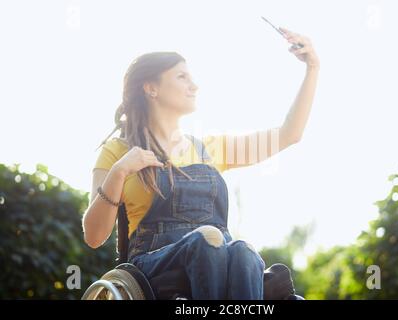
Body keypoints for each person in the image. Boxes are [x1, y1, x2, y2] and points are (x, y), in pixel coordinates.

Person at [82, 27, 320, 300]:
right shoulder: (117, 152)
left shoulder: (209, 149)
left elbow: (289, 134)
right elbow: (94, 235)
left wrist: (312, 67)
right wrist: (120, 171)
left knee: (242, 250)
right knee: (207, 238)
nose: (194, 85)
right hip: (152, 265)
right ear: (151, 88)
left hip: (219, 257)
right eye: (182, 76)